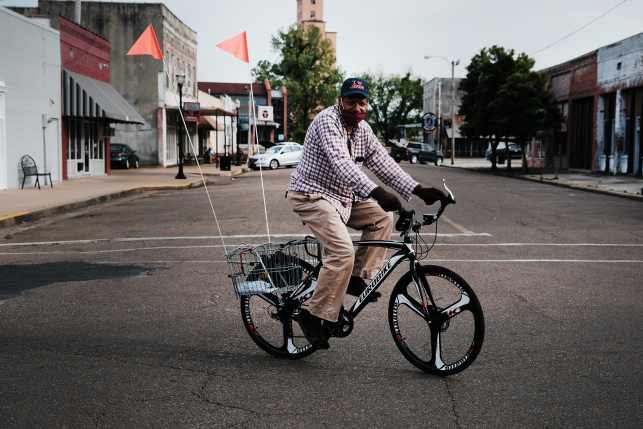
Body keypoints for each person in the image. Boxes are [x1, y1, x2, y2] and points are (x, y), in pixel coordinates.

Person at [286, 77, 446, 349]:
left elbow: (384, 163)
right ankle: (313, 315)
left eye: (362, 102)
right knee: (342, 251)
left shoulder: (363, 130)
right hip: (311, 195)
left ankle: (356, 277)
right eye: (351, 101)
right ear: (340, 100)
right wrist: (379, 193)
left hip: (342, 198)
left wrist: (418, 189)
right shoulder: (328, 121)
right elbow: (342, 166)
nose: (357, 107)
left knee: (382, 218)